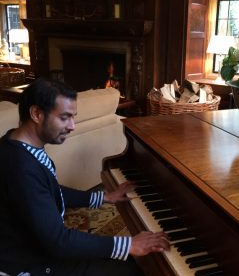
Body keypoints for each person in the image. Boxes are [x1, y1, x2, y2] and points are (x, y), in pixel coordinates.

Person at [0, 78, 169, 276]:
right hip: (30, 263)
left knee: (130, 258)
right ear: (36, 114)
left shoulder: (15, 142)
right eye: (64, 117)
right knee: (132, 270)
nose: (72, 126)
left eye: (73, 117)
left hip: (41, 244)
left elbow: (49, 190)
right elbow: (58, 241)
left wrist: (103, 197)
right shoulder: (20, 167)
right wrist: (129, 243)